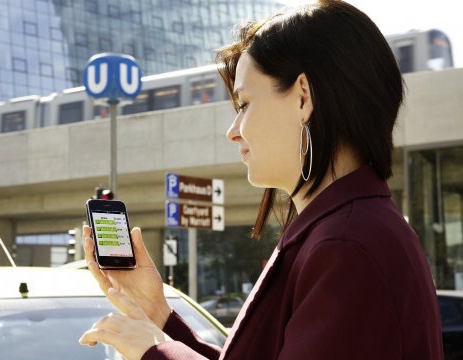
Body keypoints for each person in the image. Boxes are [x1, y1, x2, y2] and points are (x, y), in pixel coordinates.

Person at [79, 0, 444, 358]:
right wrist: (158, 315)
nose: (233, 131)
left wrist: (155, 352)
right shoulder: (344, 231)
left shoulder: (346, 245)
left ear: (303, 97)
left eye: (244, 105)